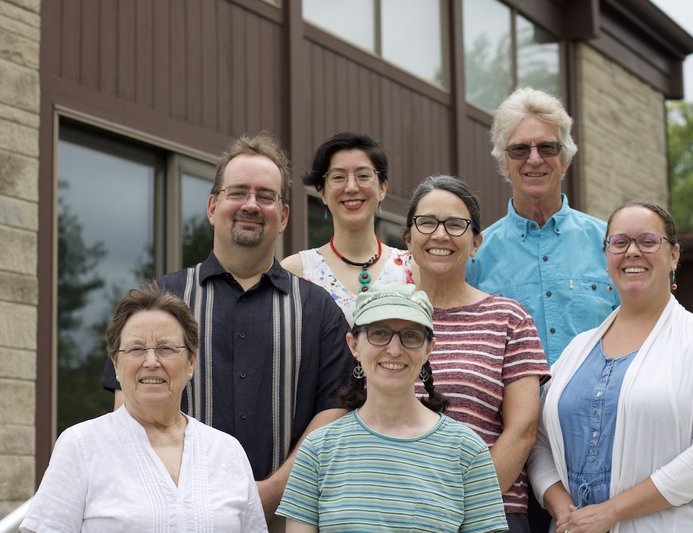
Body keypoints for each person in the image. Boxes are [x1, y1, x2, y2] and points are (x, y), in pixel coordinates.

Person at [101, 131, 352, 526]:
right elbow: (127, 413)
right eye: (238, 192)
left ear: (284, 215)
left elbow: (335, 415)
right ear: (213, 205)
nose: (251, 204)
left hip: (287, 522)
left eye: (266, 196)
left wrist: (269, 494)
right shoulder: (161, 299)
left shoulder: (319, 309)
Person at [528, 200, 693, 533]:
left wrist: (612, 511)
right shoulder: (576, 351)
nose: (632, 251)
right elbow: (539, 443)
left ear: (674, 255)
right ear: (606, 256)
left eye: (648, 241)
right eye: (620, 242)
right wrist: (564, 509)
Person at [22, 285, 268, 532]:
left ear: (191, 361)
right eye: (136, 349)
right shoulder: (82, 446)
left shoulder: (228, 452)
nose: (151, 362)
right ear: (116, 364)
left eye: (166, 348)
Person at [276, 283, 509, 532]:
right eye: (379, 333)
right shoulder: (318, 450)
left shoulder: (467, 451)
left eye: (411, 336)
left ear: (429, 348)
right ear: (354, 345)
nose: (395, 350)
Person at [404, 175, 550, 532]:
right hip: (398, 510)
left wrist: (460, 504)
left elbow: (523, 429)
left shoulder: (509, 319)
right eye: (427, 223)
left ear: (476, 243)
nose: (440, 235)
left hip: (490, 514)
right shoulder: (384, 316)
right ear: (408, 238)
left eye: (455, 225)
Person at [467, 87, 618, 367]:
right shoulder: (476, 256)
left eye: (547, 147)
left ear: (565, 159)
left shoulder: (611, 244)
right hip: (510, 411)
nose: (534, 159)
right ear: (503, 163)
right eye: (519, 149)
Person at [281, 132, 413, 324]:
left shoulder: (412, 268)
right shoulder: (296, 271)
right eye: (338, 177)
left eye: (363, 175)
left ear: (383, 188)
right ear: (323, 193)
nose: (351, 187)